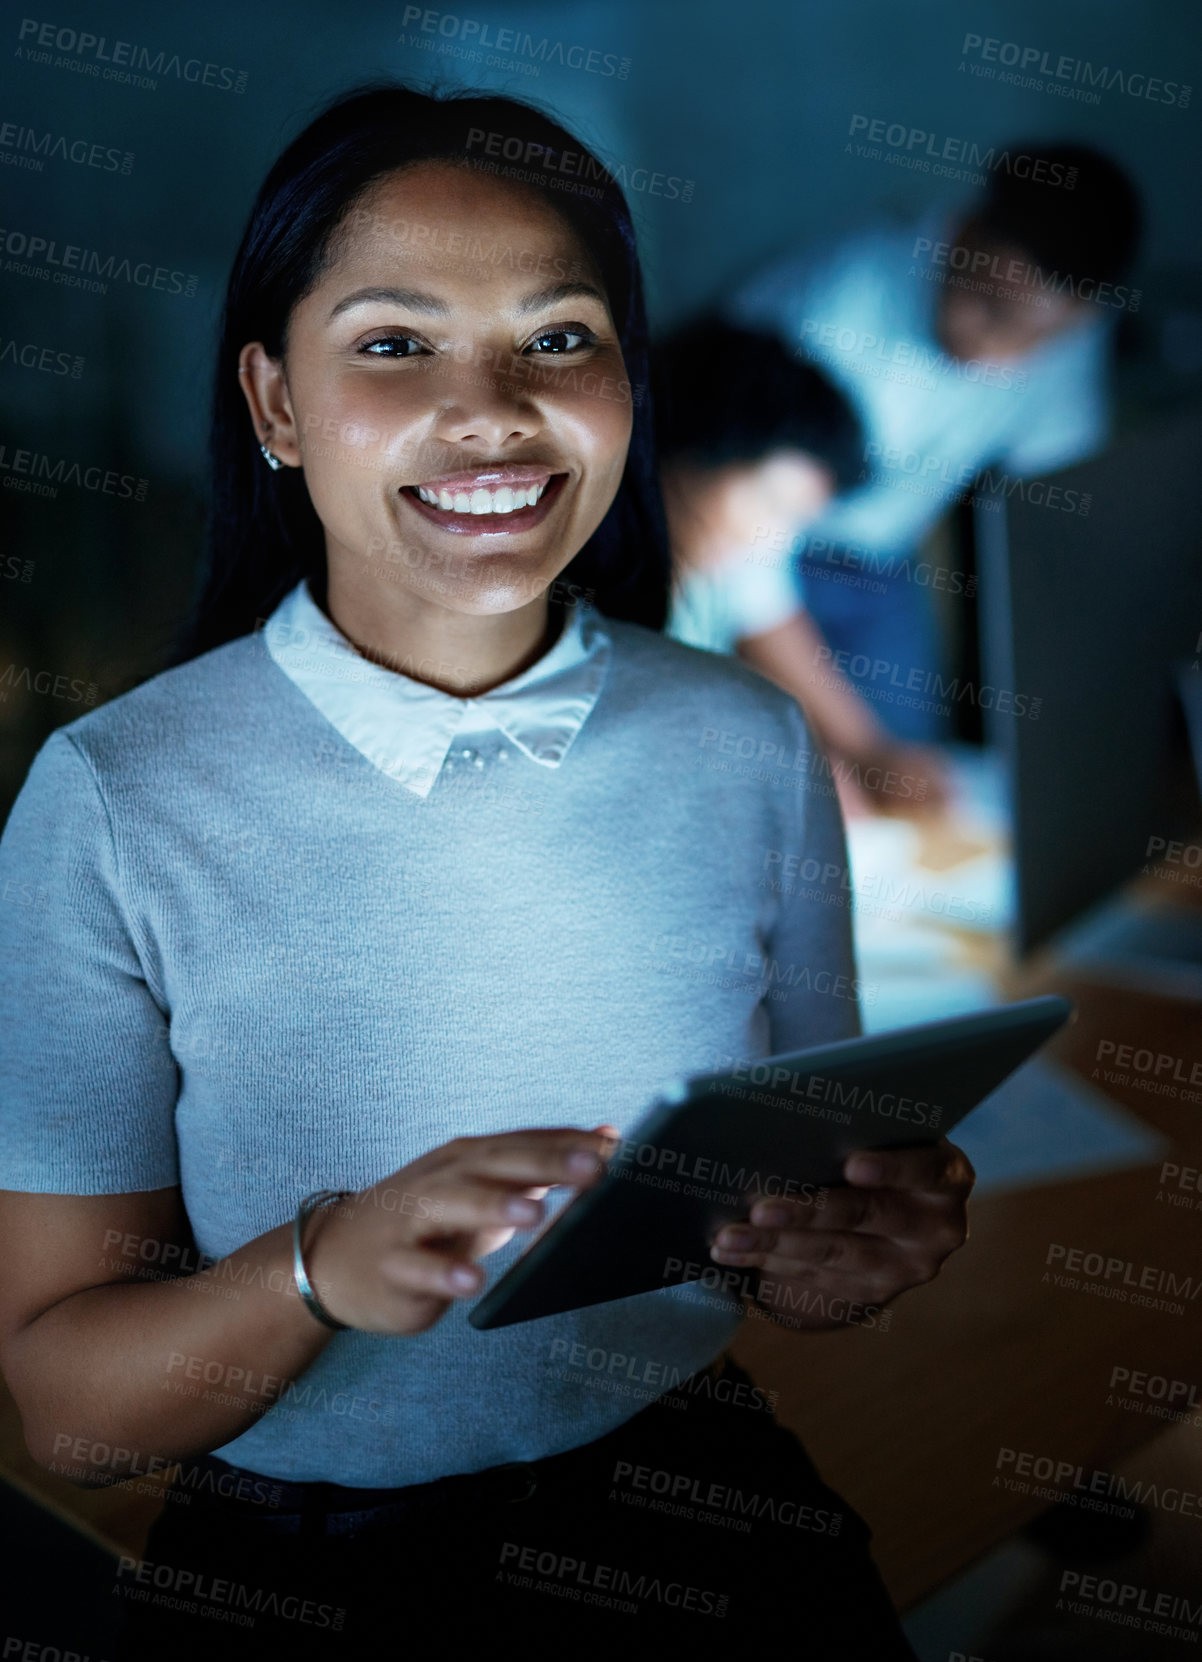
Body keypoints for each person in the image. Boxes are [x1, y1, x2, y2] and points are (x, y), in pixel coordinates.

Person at [0, 84, 974, 1659]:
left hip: (702, 1501)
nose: (497, 411)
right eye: (393, 345)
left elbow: (789, 1216)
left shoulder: (751, 743)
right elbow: (70, 1413)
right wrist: (314, 1266)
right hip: (311, 1571)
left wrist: (846, 1253)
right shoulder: (112, 801)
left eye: (560, 337)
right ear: (273, 402)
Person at [728, 143, 1142, 744]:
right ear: (962, 230)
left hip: (881, 564)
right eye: (983, 306)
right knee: (773, 762)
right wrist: (863, 747)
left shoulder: (1072, 331)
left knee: (915, 776)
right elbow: (741, 565)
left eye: (1027, 338)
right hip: (751, 551)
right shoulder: (833, 308)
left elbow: (1057, 514)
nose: (987, 351)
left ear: (1082, 317)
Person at [658, 319, 947, 815]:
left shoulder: (706, 585)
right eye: (770, 502)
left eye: (794, 523)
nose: (772, 541)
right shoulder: (594, 591)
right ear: (691, 455)